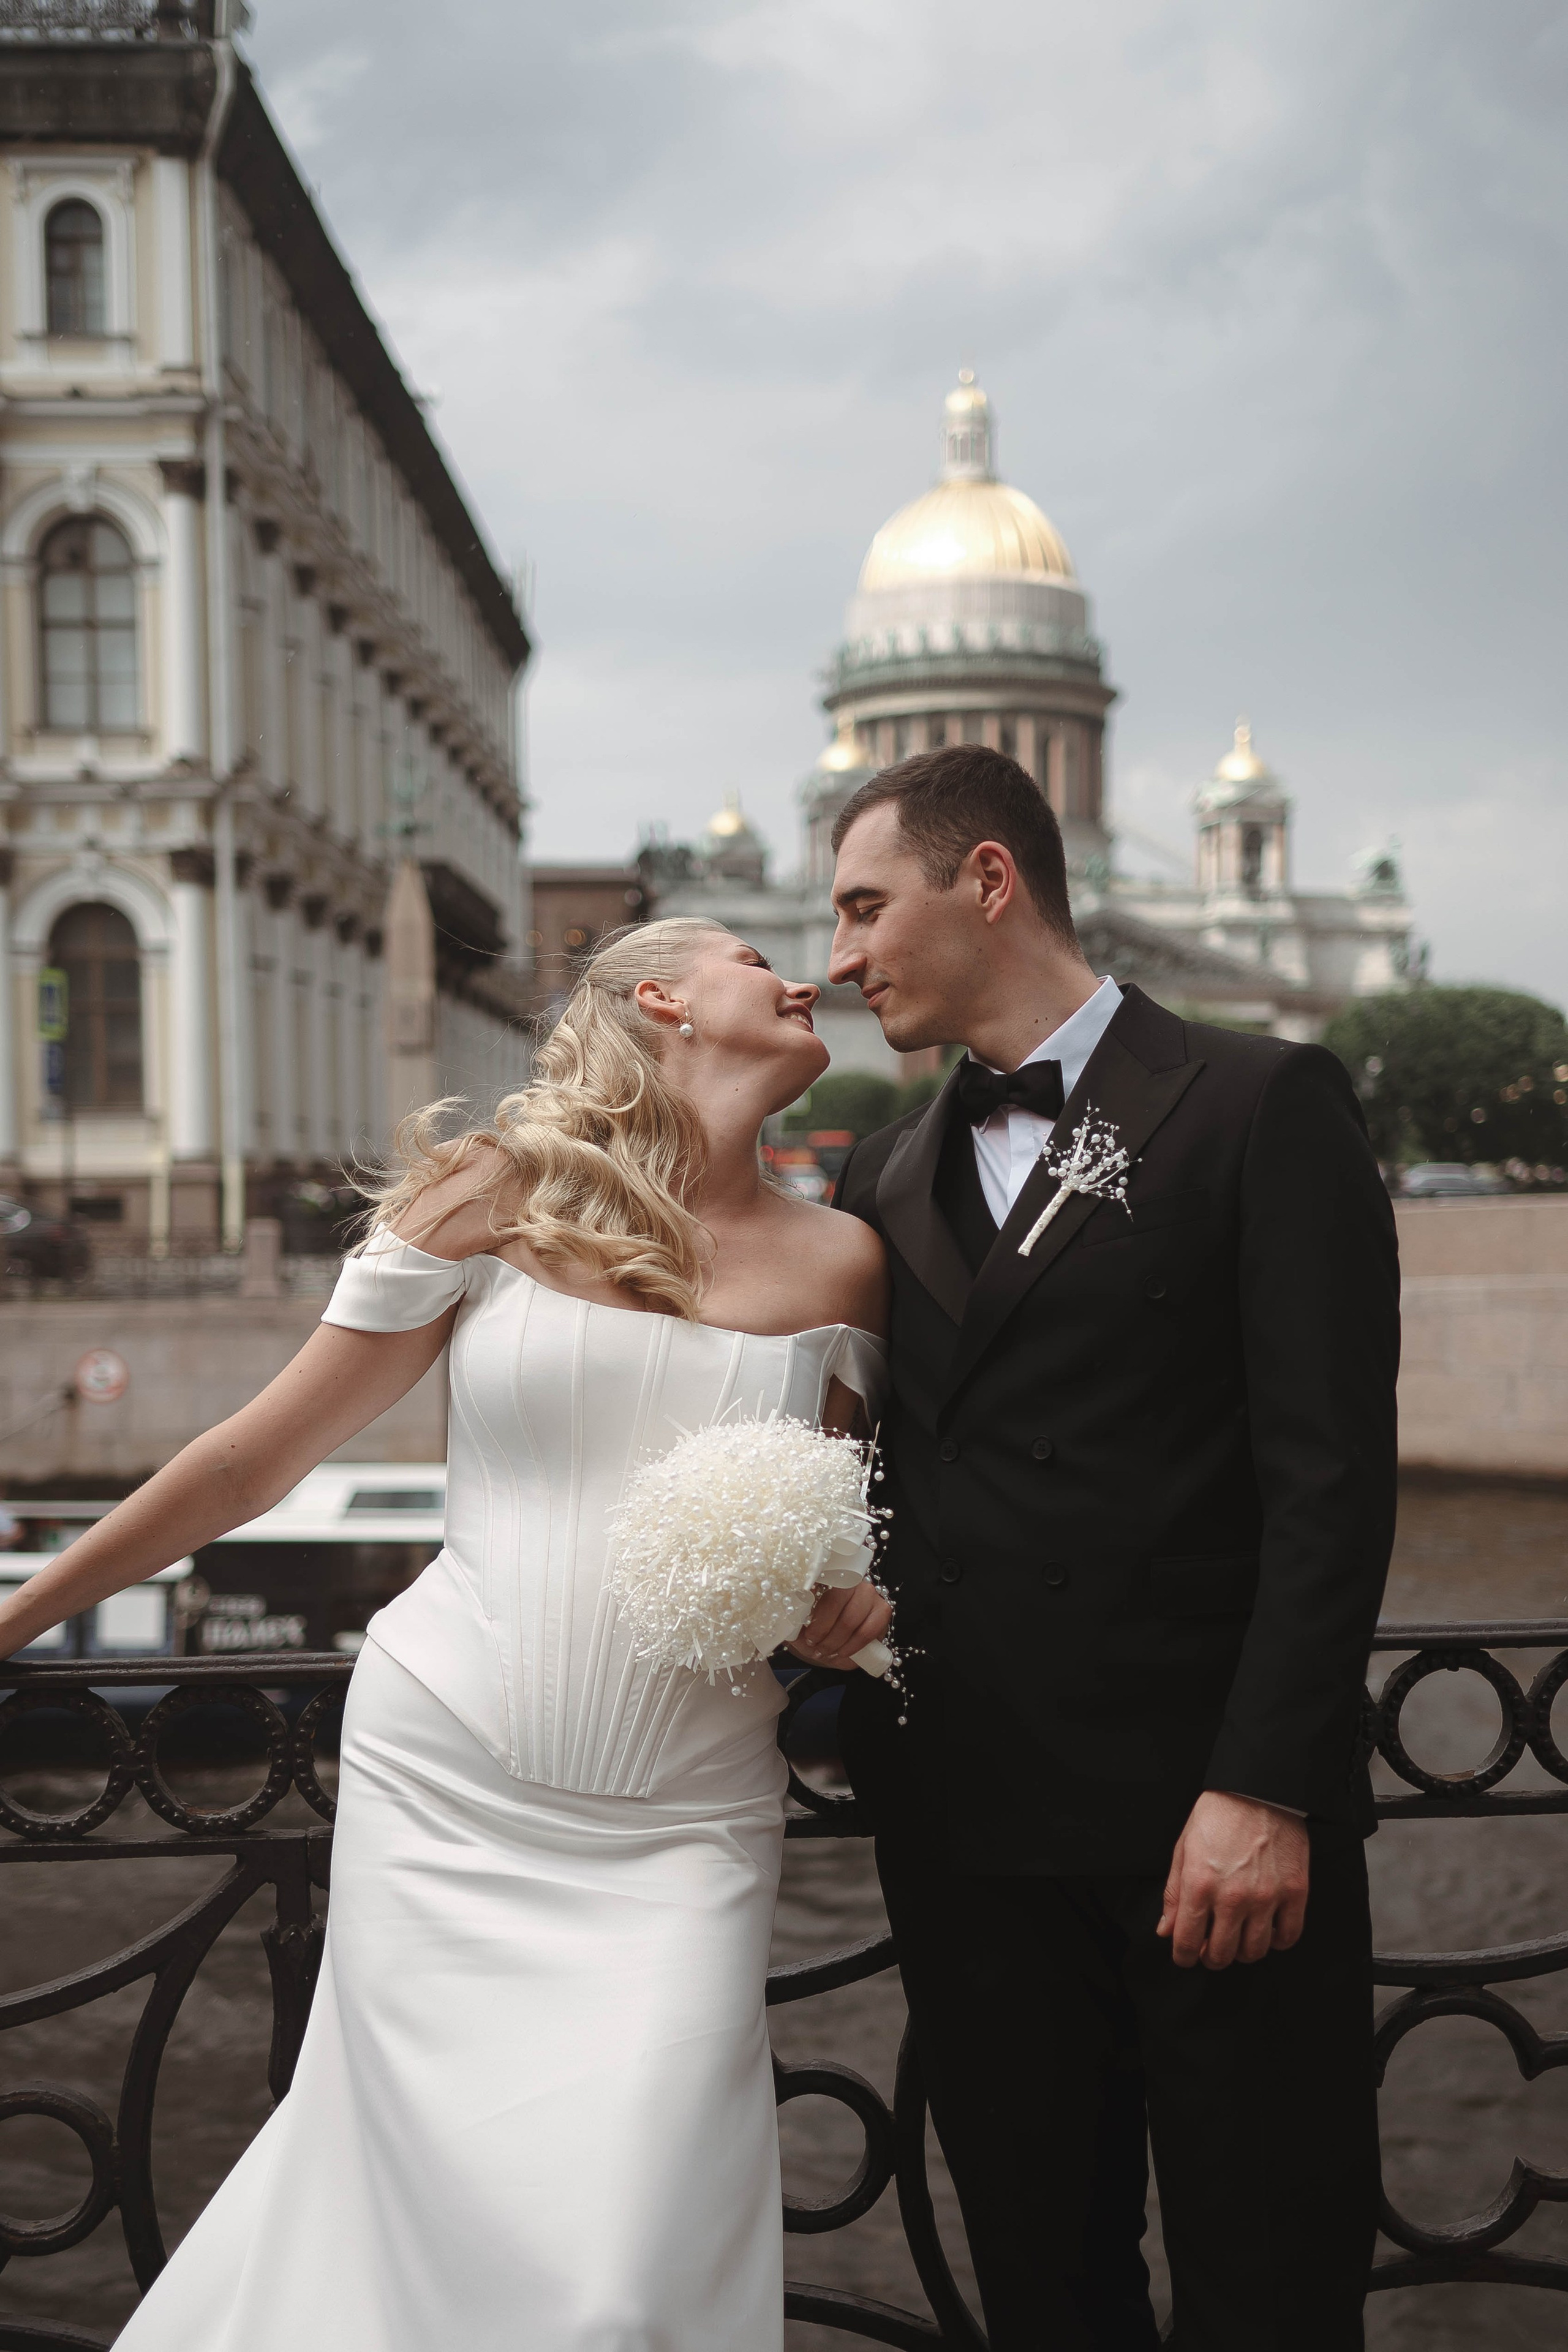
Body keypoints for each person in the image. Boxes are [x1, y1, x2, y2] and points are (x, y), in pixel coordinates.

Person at [0, 918, 892, 2352]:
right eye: (753, 954)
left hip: (684, 1819)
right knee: (403, 2211)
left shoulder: (845, 1264)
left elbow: (828, 1537)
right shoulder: (494, 1192)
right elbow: (251, 1462)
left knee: (619, 2275)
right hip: (451, 1783)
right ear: (659, 995)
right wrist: (22, 1616)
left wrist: (847, 1610)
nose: (806, 977)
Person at [827, 745, 1399, 2352]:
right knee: (1044, 2294)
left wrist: (1268, 1786)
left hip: (1213, 1839)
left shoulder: (1259, 1101)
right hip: (974, 1846)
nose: (844, 955)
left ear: (989, 879)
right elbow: (895, 1475)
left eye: (869, 908)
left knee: (1270, 2294)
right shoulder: (880, 1171)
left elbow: (1332, 1481)